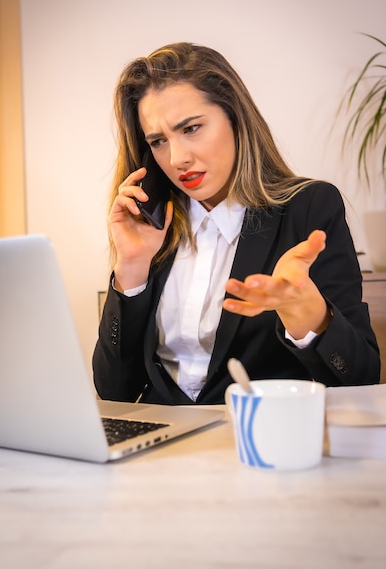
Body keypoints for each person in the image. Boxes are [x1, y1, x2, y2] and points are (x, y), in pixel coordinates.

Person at [92, 42, 380, 405]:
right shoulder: (153, 226)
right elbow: (114, 390)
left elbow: (361, 379)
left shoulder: (309, 208)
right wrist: (131, 269)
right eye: (159, 141)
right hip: (161, 445)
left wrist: (306, 312)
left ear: (235, 117)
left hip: (252, 442)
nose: (178, 158)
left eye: (192, 128)